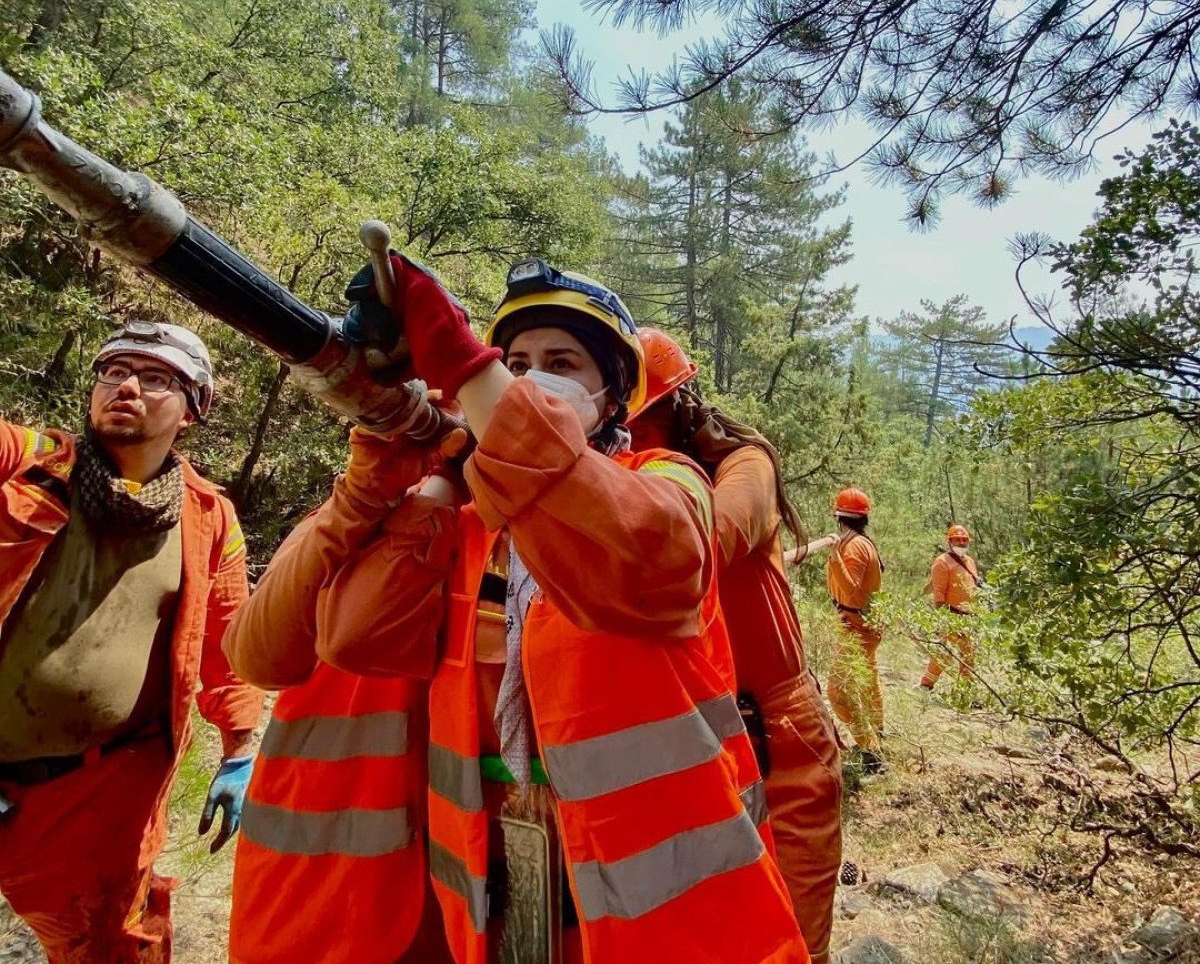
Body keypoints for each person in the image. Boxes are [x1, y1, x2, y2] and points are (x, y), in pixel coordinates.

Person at [289, 257, 808, 963]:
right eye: (519, 361)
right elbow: (354, 639)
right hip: (494, 877)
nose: (535, 377)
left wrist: (469, 371)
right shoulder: (475, 521)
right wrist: (432, 480)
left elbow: (656, 554)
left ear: (613, 395)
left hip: (647, 899)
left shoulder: (667, 482)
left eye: (562, 361)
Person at [0, 321, 263, 963]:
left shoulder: (207, 517)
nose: (126, 386)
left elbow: (228, 640)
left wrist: (240, 747)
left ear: (192, 409)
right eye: (114, 371)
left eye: (155, 378)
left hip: (91, 790)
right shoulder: (30, 460)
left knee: (113, 946)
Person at [627, 328, 843, 964]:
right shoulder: (633, 480)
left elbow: (707, 544)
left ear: (674, 410)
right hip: (701, 744)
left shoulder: (744, 467)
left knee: (794, 941)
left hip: (780, 736)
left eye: (636, 422)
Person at [223, 443, 459, 964]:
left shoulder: (518, 527)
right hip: (320, 882)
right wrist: (362, 498)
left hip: (456, 885)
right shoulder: (353, 512)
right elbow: (255, 655)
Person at [825, 488, 885, 774]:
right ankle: (879, 734)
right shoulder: (858, 543)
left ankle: (871, 752)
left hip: (857, 628)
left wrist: (835, 557)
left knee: (838, 692)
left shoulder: (855, 547)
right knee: (868, 684)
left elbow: (852, 594)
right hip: (859, 626)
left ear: (839, 517)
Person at [920, 524, 980, 691]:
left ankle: (966, 692)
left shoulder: (970, 562)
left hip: (970, 617)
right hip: (950, 614)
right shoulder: (942, 562)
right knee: (944, 653)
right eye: (957, 540)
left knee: (969, 656)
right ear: (950, 542)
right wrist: (943, 619)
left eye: (964, 540)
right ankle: (926, 684)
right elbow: (938, 593)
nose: (961, 543)